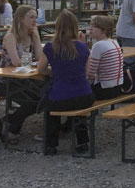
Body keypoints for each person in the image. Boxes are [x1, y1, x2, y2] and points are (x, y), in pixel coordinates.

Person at [36, 10, 93, 155]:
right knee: (77, 103)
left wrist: (54, 70)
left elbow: (40, 70)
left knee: (50, 107)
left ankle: (51, 145)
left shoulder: (50, 47)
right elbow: (86, 74)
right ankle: (82, 141)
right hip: (84, 96)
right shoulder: (83, 47)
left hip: (61, 96)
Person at [0, 6, 45, 144]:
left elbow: (39, 58)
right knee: (32, 101)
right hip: (4, 81)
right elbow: (16, 62)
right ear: (21, 19)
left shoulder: (31, 36)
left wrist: (37, 37)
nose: (35, 20)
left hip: (22, 80)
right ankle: (11, 129)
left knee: (41, 98)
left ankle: (9, 121)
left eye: (35, 17)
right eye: (31, 17)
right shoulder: (10, 37)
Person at [86, 15, 124, 100]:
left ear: (103, 30)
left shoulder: (98, 45)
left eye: (94, 26)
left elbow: (90, 75)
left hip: (105, 90)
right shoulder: (114, 42)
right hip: (118, 87)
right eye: (90, 25)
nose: (90, 28)